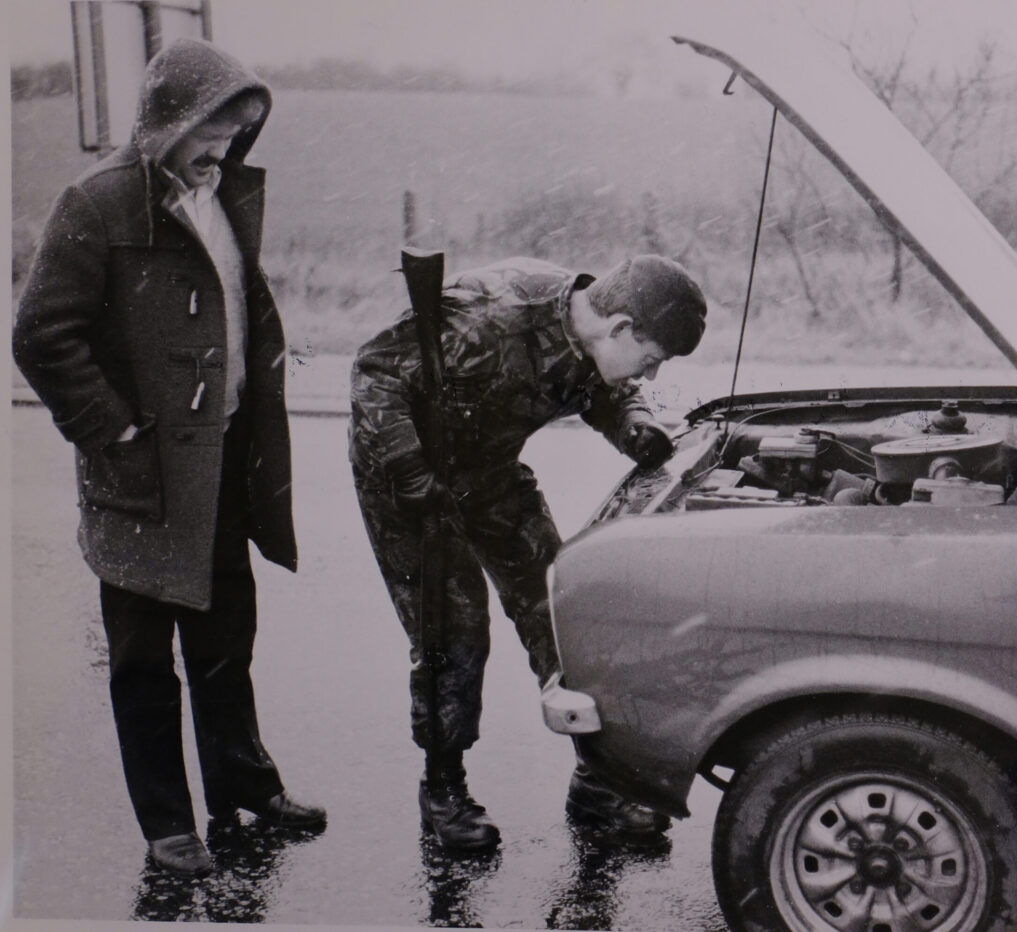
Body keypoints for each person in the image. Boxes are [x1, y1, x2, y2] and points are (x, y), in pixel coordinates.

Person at [12, 38, 324, 877]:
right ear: (170, 121)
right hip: (141, 479)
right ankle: (167, 824)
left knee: (227, 639)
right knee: (146, 662)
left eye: (241, 131)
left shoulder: (218, 194)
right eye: (214, 130)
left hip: (219, 465)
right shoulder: (98, 203)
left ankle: (244, 786)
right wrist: (112, 430)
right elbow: (42, 334)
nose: (225, 148)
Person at [349, 253, 707, 851]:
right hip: (407, 482)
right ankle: (443, 791)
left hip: (488, 471)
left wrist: (634, 425)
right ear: (619, 328)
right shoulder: (488, 315)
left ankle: (599, 782)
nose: (649, 374)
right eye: (650, 360)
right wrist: (408, 468)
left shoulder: (592, 332)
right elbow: (375, 373)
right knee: (452, 631)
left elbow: (602, 388)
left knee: (565, 612)